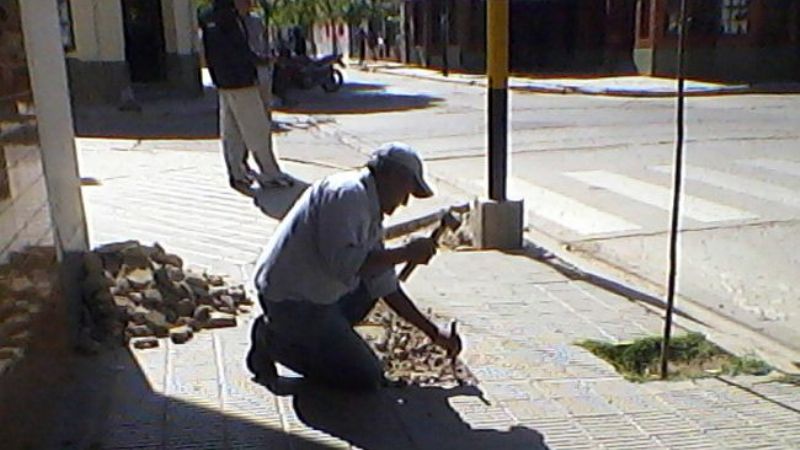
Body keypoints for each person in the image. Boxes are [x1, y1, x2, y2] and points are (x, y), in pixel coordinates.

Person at [247, 143, 462, 391]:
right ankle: (274, 339)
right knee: (365, 378)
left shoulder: (369, 205)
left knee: (370, 288)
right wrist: (405, 253)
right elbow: (344, 264)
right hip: (291, 300)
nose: (404, 202)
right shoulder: (347, 195)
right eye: (406, 191)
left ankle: (310, 336)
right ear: (391, 177)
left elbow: (384, 284)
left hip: (317, 295)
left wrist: (434, 333)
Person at [201, 0, 292, 196]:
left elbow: (209, 53)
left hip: (224, 83)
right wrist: (263, 61)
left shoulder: (209, 17)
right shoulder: (230, 21)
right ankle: (270, 173)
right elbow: (241, 52)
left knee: (231, 131)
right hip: (242, 82)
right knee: (257, 129)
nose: (249, 4)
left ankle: (237, 172)